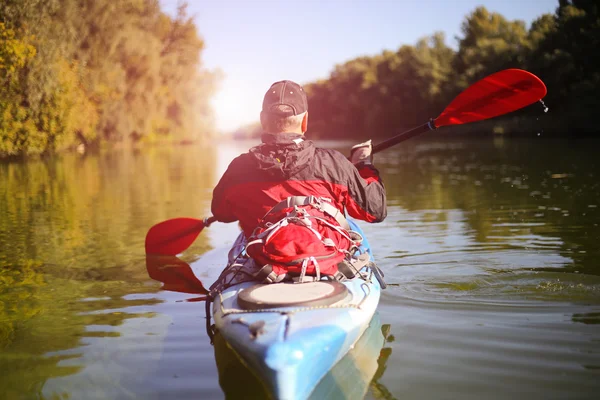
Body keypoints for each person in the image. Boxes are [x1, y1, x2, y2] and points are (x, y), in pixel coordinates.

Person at [211, 79, 386, 238]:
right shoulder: (334, 163)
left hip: (263, 266)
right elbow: (375, 211)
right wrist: (363, 165)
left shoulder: (239, 168)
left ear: (263, 120)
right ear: (305, 122)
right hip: (324, 266)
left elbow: (222, 213)